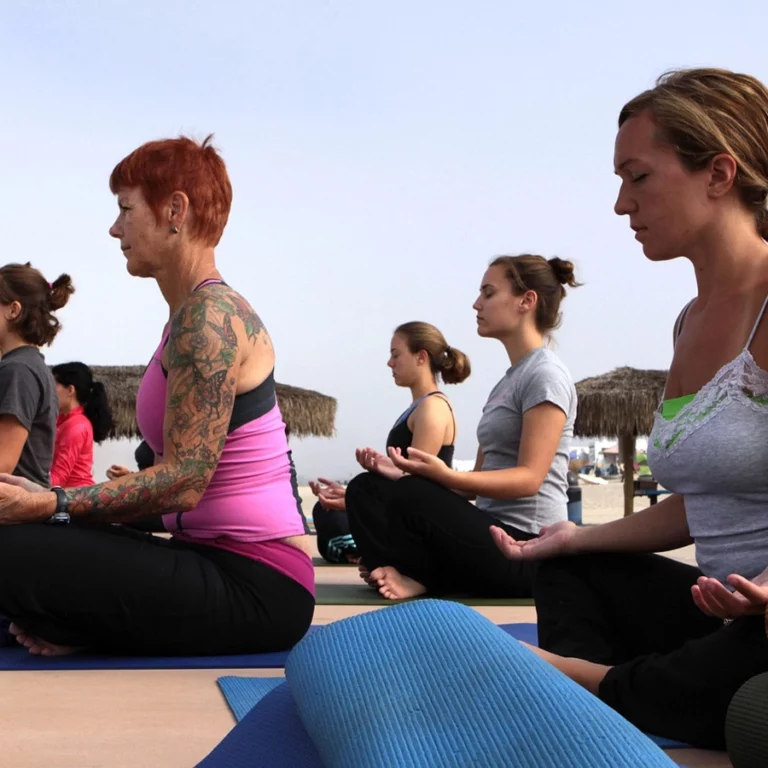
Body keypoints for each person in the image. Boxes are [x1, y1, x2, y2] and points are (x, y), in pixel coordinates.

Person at [492, 68, 768, 751]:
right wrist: (572, 537)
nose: (621, 204)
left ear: (719, 174)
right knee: (564, 565)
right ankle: (603, 693)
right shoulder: (689, 322)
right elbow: (705, 499)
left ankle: (575, 685)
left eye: (637, 177)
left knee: (750, 703)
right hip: (725, 616)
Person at [0, 135, 314, 657]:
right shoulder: (186, 316)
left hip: (259, 586)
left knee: (15, 544)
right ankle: (82, 624)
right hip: (208, 559)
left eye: (125, 210)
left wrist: (46, 503)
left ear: (174, 210)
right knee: (38, 537)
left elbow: (185, 483)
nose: (115, 228)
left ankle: (85, 626)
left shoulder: (209, 319)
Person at [354, 255, 579, 600]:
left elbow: (529, 479)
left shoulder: (545, 375)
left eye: (488, 293)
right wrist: (401, 473)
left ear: (526, 301)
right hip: (490, 534)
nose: (477, 303)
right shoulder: (506, 384)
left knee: (410, 494)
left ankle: (418, 574)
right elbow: (474, 485)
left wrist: (440, 476)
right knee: (366, 489)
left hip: (528, 548)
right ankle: (410, 569)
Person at [311, 321, 469, 563]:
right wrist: (350, 494)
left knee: (358, 492)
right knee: (326, 509)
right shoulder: (419, 407)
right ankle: (360, 547)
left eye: (396, 355)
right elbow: (406, 477)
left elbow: (418, 487)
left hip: (421, 520)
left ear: (421, 357)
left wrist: (353, 500)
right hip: (404, 508)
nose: (390, 363)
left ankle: (370, 552)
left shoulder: (432, 409)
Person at [0, 264, 74, 486]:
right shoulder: (32, 365)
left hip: (15, 514)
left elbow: (3, 463)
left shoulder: (18, 370)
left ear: (13, 310)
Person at [50, 362, 114, 487]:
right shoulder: (64, 421)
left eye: (54, 385)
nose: (50, 391)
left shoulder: (76, 427)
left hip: (74, 500)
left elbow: (57, 479)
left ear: (70, 390)